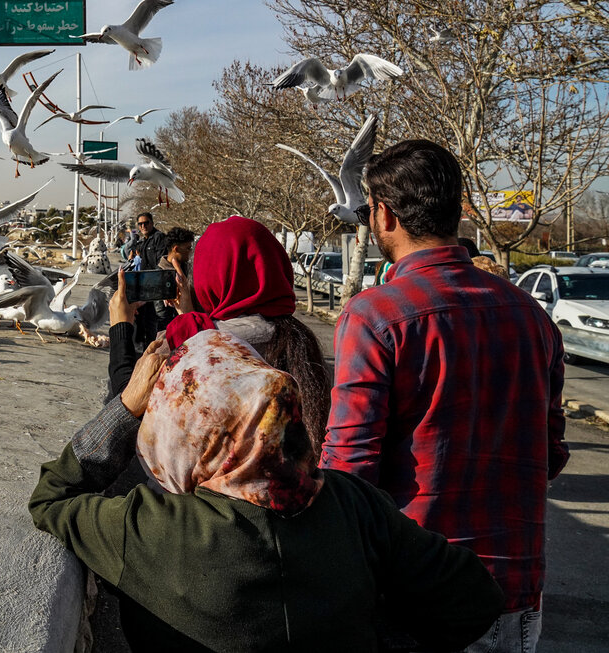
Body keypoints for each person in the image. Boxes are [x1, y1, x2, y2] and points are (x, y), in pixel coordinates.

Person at [31, 327, 503, 651]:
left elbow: (54, 495)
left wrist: (128, 406)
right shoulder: (352, 505)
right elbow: (474, 599)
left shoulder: (151, 529)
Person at [320, 139, 569, 651]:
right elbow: (552, 452)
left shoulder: (375, 316)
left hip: (421, 591)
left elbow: (349, 470)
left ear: (383, 215)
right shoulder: (532, 317)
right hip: (515, 591)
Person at [147, 216, 330, 455]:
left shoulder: (179, 341)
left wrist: (122, 324)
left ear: (207, 276)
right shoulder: (303, 343)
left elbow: (133, 411)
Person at [121, 212, 169, 346]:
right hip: (144, 287)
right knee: (146, 321)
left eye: (146, 223)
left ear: (152, 223)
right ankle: (147, 349)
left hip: (157, 286)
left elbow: (162, 261)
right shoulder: (142, 241)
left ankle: (162, 350)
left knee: (160, 321)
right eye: (140, 224)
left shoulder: (159, 238)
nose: (143, 226)